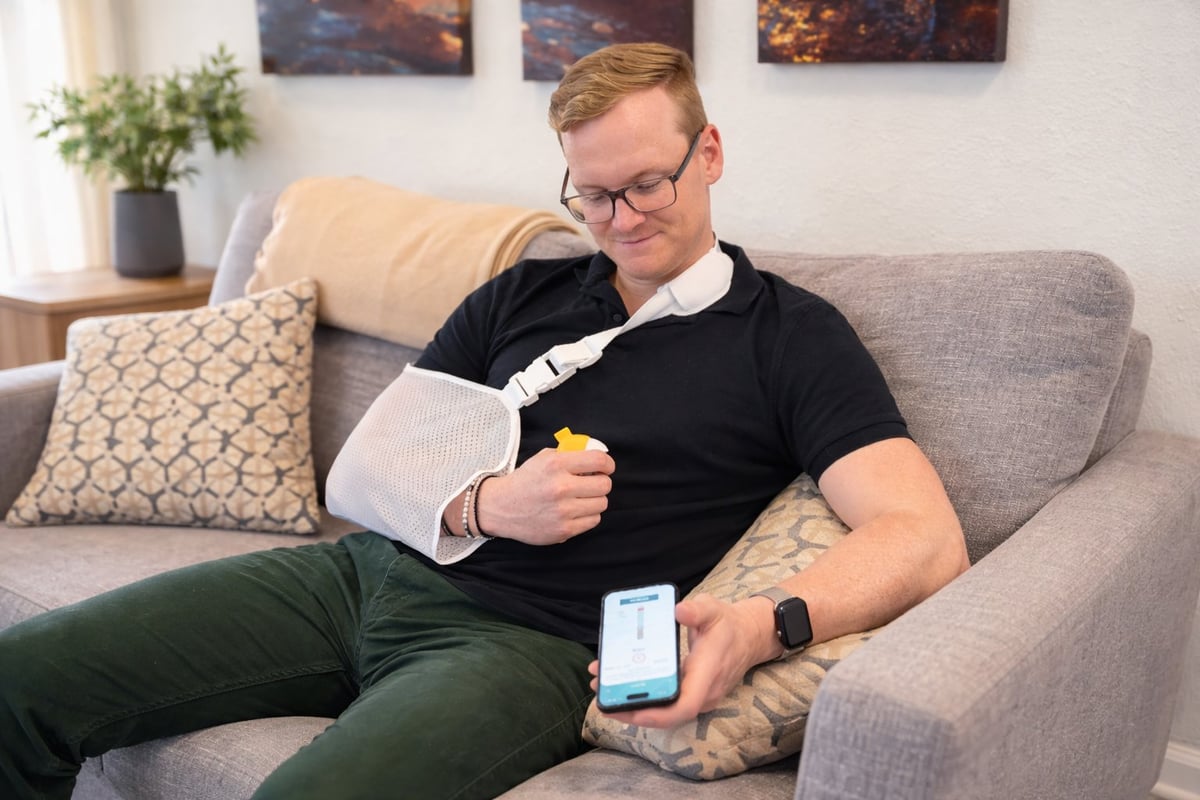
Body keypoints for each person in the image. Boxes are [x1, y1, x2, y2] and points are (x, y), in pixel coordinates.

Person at [0, 43, 968, 799]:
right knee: (18, 679)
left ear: (708, 153)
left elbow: (922, 536)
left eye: (647, 183)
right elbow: (364, 468)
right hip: (359, 572)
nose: (622, 219)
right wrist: (483, 501)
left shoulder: (790, 337)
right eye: (592, 193)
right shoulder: (525, 293)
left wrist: (765, 623)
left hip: (526, 645)